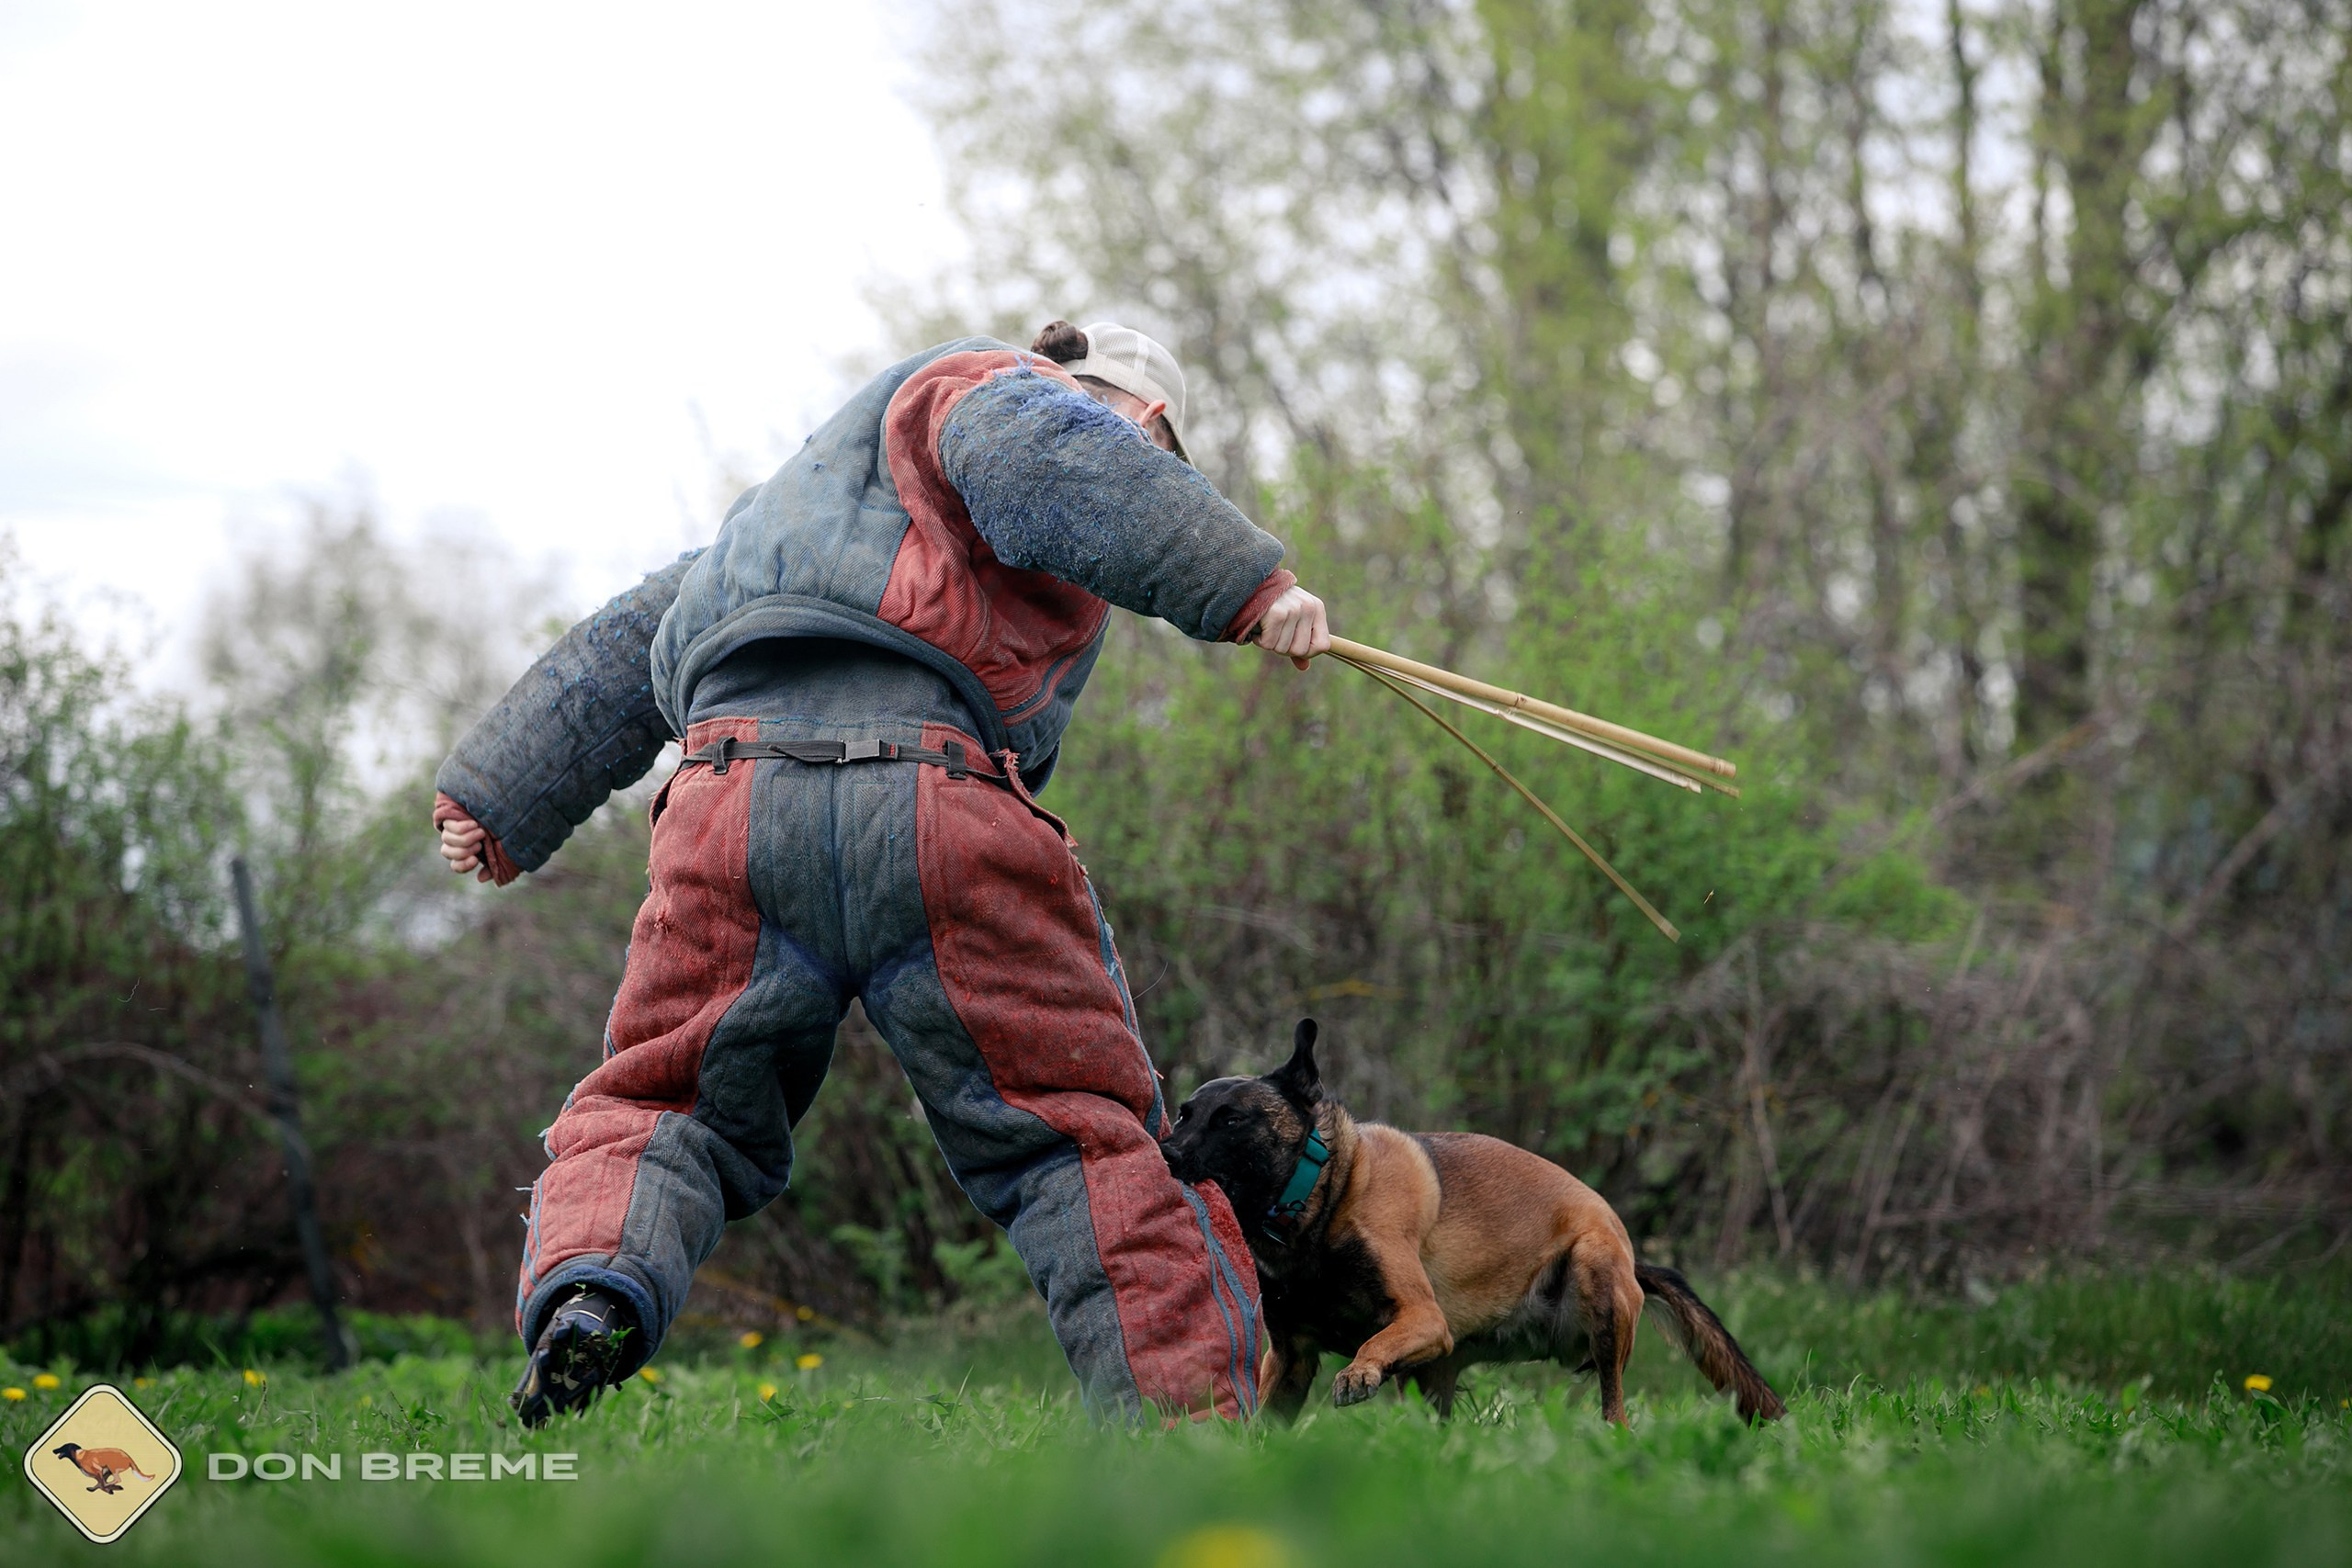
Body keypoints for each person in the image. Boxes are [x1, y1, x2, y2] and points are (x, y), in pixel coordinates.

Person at [431, 321, 1331, 1425]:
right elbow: (1056, 456)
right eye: (1142, 450)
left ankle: (589, 1295)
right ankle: (1189, 1423)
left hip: (729, 805)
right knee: (1071, 1130)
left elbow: (638, 633)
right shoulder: (1008, 395)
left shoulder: (792, 520)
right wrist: (1248, 585)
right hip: (934, 800)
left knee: (670, 1099)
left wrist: (499, 794)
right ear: (1139, 422)